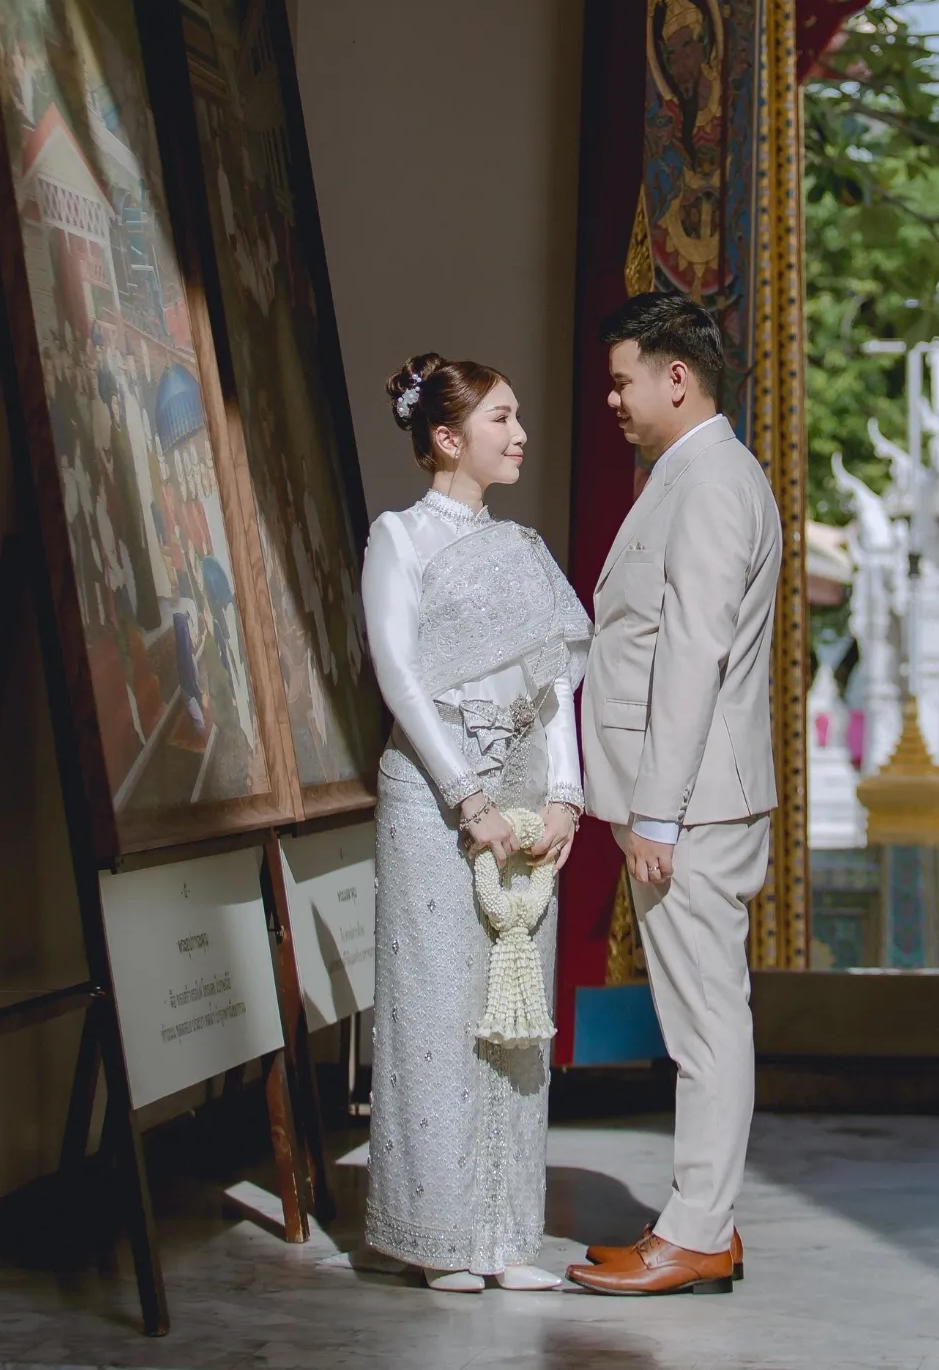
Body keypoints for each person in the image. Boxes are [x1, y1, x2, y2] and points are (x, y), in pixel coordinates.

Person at [360, 352, 591, 1294]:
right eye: (502, 417)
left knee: (514, 1019)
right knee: (436, 1014)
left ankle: (504, 1239)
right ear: (448, 437)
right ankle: (435, 1238)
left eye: (518, 415)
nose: (520, 432)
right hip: (434, 797)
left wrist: (567, 796)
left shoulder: (526, 549)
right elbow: (398, 673)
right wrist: (467, 796)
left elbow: (555, 689)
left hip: (526, 799)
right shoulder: (399, 538)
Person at [568, 292, 782, 1298]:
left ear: (675, 376)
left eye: (621, 379)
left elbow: (692, 650)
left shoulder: (710, 482)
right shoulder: (695, 475)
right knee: (701, 1018)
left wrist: (655, 811)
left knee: (703, 1023)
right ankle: (704, 1223)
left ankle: (697, 1231)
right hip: (688, 797)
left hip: (691, 804)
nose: (611, 398)